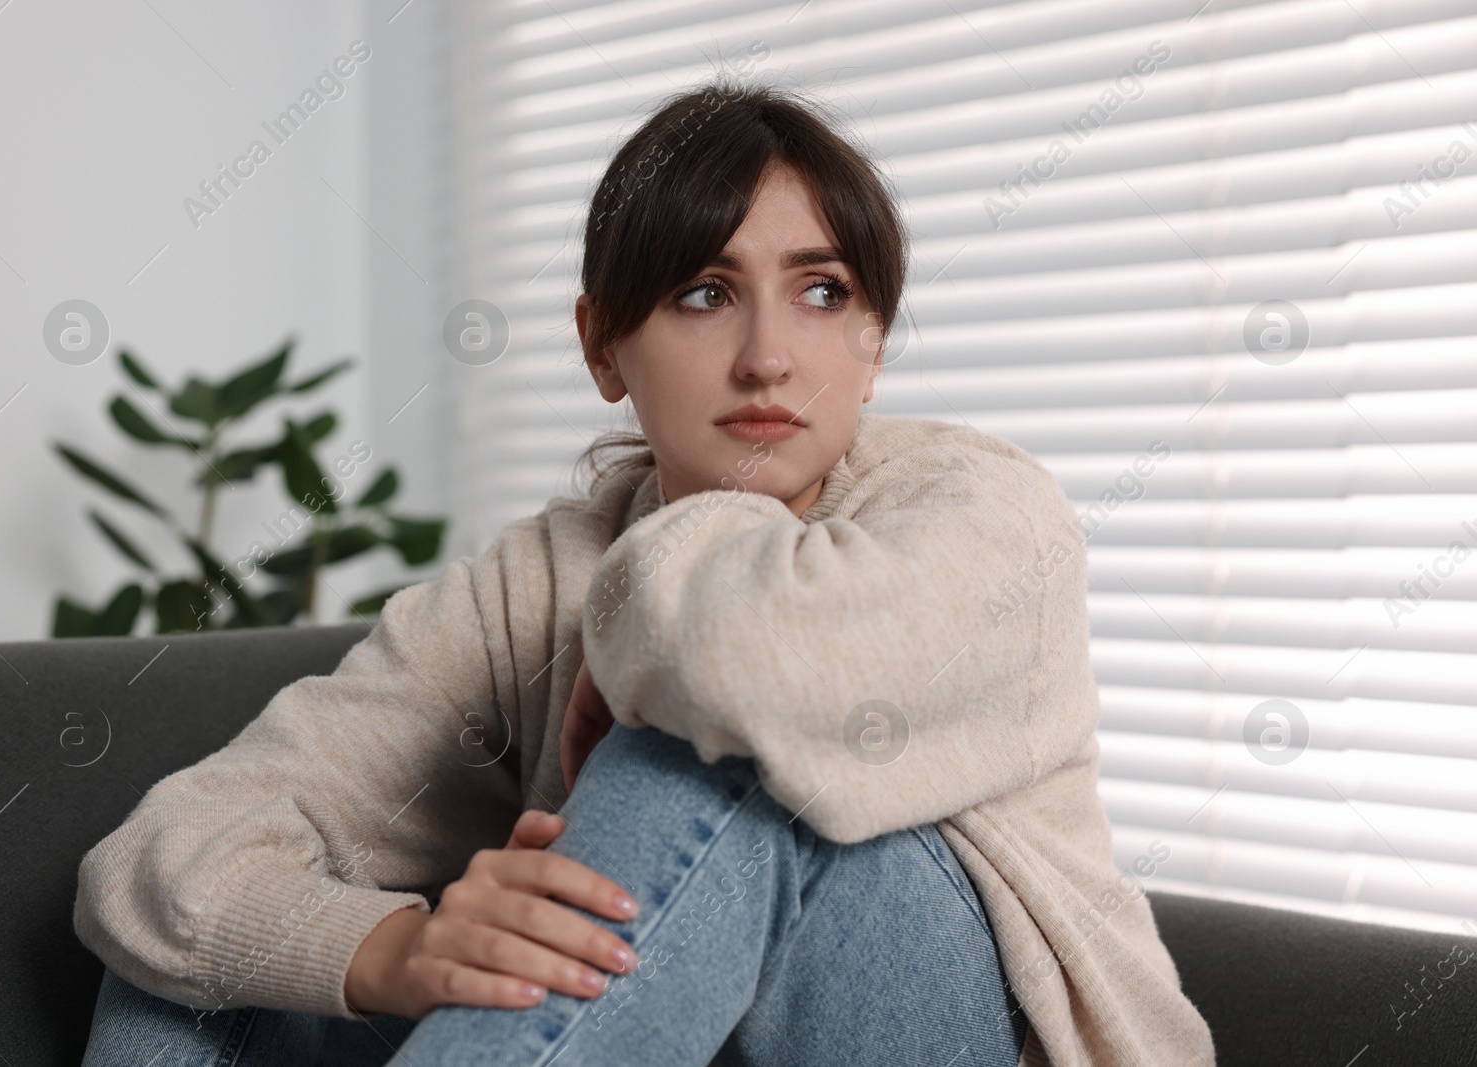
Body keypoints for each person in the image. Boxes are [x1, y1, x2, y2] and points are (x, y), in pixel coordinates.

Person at [73, 78, 1215, 1066]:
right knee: (199, 956)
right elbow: (157, 858)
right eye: (703, 293)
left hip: (933, 1018)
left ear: (872, 346)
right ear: (601, 344)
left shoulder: (983, 510)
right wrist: (396, 950)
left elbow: (736, 659)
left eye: (824, 293)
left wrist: (659, 603)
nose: (769, 354)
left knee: (701, 759)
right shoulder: (529, 583)